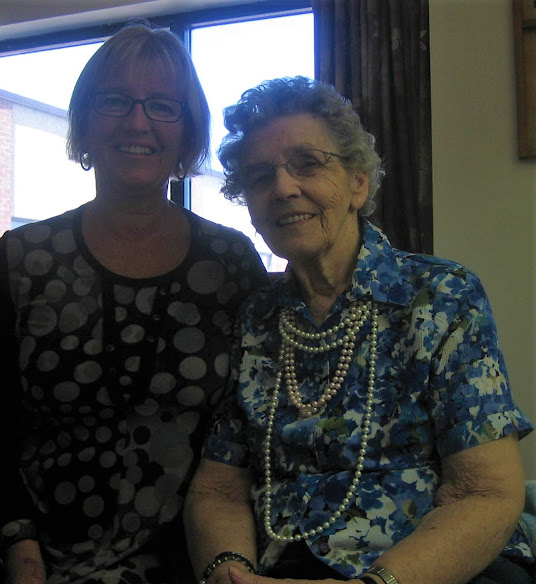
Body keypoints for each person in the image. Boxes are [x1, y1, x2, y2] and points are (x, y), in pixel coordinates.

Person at [0, 22, 267, 584]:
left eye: (162, 106)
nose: (137, 122)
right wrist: (20, 548)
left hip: (175, 540)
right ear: (85, 122)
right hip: (13, 527)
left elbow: (259, 432)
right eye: (114, 100)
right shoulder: (22, 257)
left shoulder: (232, 263)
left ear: (188, 132)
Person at [183, 76, 535, 584]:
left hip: (428, 568)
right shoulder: (256, 319)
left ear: (358, 183)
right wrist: (228, 570)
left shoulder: (442, 296)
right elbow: (218, 489)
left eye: (308, 163)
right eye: (260, 175)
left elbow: (485, 492)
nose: (283, 188)